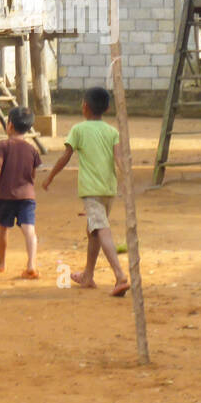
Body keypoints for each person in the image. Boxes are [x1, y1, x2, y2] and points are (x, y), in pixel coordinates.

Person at [42, 86, 130, 296]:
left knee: (101, 228)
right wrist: (127, 176)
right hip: (109, 189)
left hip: (91, 190)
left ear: (84, 107)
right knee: (93, 231)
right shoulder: (112, 132)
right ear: (107, 108)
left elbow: (66, 156)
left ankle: (119, 275)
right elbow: (119, 158)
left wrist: (50, 176)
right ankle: (88, 275)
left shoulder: (78, 130)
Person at [0, 106, 41, 278]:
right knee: (29, 230)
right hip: (27, 196)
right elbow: (33, 174)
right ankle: (31, 264)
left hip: (6, 196)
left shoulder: (2, 145)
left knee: (3, 228)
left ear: (9, 125)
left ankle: (1, 261)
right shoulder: (32, 149)